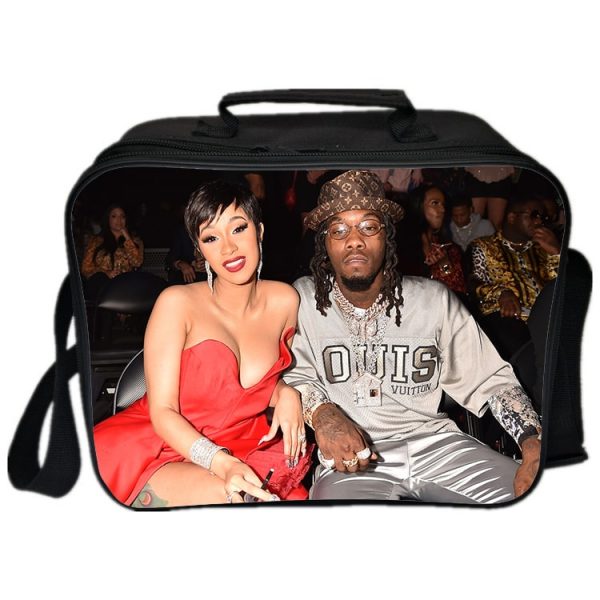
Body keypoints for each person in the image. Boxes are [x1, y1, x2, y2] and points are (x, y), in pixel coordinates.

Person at [283, 170, 542, 503]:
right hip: (351, 462)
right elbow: (292, 377)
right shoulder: (303, 300)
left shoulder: (433, 300)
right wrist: (323, 414)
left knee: (530, 499)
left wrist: (532, 443)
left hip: (440, 447)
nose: (354, 240)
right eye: (339, 230)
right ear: (325, 243)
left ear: (387, 236)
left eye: (368, 226)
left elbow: (493, 381)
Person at [93, 180, 312, 507]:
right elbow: (163, 412)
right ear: (199, 249)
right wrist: (220, 462)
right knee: (237, 499)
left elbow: (257, 384)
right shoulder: (177, 303)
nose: (228, 248)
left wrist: (285, 392)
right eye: (211, 237)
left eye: (238, 228)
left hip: (244, 443)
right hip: (158, 444)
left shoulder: (285, 301)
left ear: (260, 231)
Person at [469, 195, 560, 360]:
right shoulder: (483, 246)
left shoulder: (544, 247)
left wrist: (556, 253)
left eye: (542, 217)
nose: (539, 221)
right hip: (507, 318)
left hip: (546, 319)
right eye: (534, 215)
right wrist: (501, 292)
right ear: (512, 217)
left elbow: (561, 287)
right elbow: (473, 284)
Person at [81, 204, 144, 302]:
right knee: (100, 280)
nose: (119, 220)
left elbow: (137, 262)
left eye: (122, 216)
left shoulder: (135, 241)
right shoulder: (96, 241)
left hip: (125, 285)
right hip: (102, 285)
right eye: (114, 216)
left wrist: (127, 237)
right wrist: (105, 272)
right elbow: (85, 268)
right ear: (108, 219)